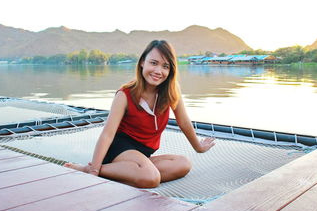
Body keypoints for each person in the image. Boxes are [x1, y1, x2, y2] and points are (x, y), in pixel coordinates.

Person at [65, 40, 215, 188]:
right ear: (143, 62)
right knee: (151, 178)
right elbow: (107, 134)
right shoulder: (125, 94)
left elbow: (183, 122)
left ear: (171, 70)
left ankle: (135, 173)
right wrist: (94, 170)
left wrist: (199, 147)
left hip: (143, 155)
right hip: (119, 150)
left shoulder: (171, 92)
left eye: (165, 66)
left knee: (183, 164)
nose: (158, 71)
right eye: (154, 63)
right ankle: (88, 169)